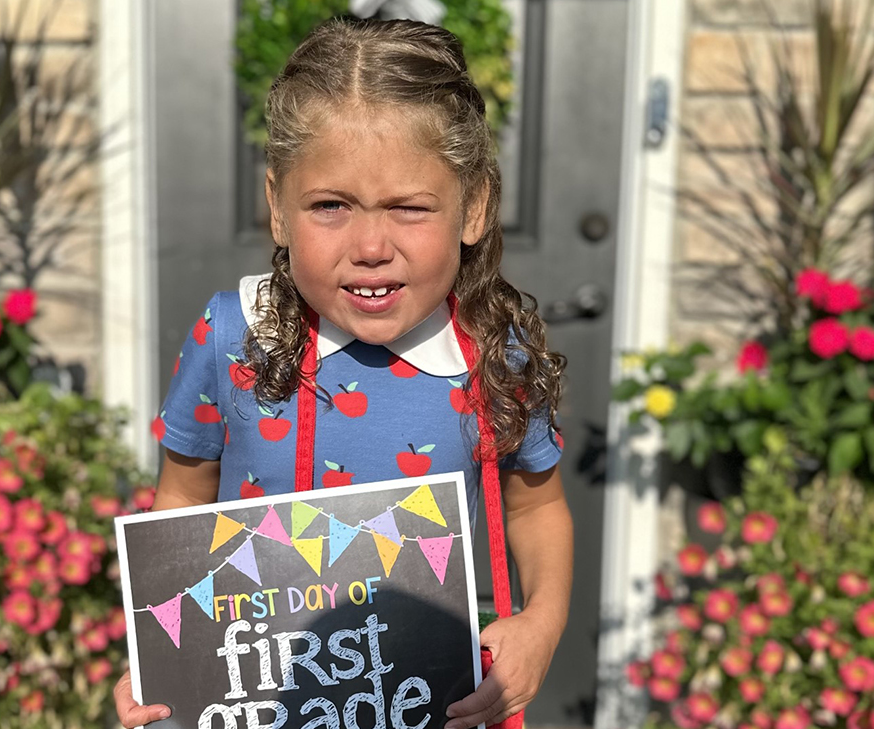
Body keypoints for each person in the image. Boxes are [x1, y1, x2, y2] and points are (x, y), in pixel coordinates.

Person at [114, 17, 573, 729]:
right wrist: (160, 654)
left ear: (475, 207)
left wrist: (541, 625)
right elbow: (181, 497)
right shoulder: (235, 335)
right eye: (330, 205)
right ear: (277, 207)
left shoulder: (492, 351)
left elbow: (535, 508)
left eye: (409, 208)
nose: (370, 246)